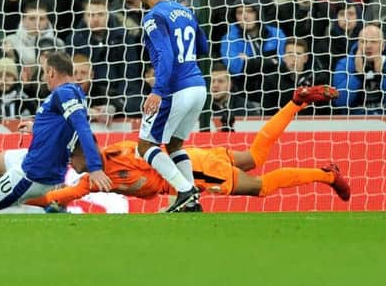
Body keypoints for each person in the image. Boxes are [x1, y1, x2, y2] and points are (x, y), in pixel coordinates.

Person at [25, 86, 349, 209]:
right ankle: (295, 102)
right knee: (253, 158)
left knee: (259, 187)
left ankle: (326, 176)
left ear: (87, 152)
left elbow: (157, 154)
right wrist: (21, 200)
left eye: (73, 155)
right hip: (196, 160)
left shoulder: (122, 153)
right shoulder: (90, 180)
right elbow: (59, 195)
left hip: (193, 170)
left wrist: (181, 191)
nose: (70, 162)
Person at [0, 51, 112, 214]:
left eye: (44, 72)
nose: (43, 77)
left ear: (51, 72)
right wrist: (35, 128)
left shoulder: (64, 93)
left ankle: (46, 214)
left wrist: (94, 167)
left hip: (35, 170)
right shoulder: (73, 92)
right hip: (39, 157)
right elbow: (63, 127)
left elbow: (82, 127)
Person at [135, 0, 208, 212]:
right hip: (198, 86)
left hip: (176, 89)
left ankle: (186, 191)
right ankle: (192, 200)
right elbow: (203, 46)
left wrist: (158, 90)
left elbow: (165, 55)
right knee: (175, 145)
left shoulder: (153, 17)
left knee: (145, 146)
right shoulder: (185, 10)